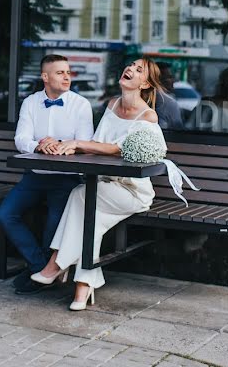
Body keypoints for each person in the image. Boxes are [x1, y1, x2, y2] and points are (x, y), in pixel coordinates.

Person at [30, 58, 164, 310]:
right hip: (103, 186)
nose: (130, 69)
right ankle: (83, 287)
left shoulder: (149, 116)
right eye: (130, 65)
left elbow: (116, 149)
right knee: (90, 219)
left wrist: (78, 144)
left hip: (131, 192)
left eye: (138, 70)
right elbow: (98, 143)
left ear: (144, 83)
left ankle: (56, 264)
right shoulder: (112, 104)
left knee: (81, 196)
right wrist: (66, 147)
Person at [0, 54, 94, 294]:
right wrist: (38, 146)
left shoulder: (81, 105)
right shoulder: (30, 103)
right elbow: (21, 139)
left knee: (53, 228)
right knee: (6, 214)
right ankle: (40, 268)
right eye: (60, 72)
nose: (67, 76)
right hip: (34, 176)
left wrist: (59, 143)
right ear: (45, 77)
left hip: (66, 178)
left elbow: (85, 143)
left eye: (68, 72)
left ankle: (40, 276)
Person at [154, 61, 183, 130]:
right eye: (169, 77)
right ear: (157, 80)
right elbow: (179, 131)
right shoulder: (169, 103)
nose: (173, 80)